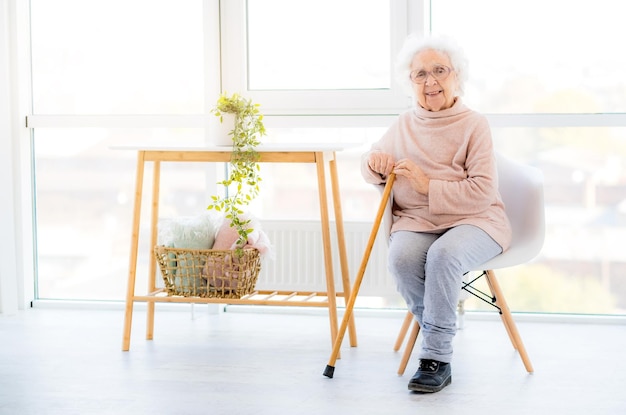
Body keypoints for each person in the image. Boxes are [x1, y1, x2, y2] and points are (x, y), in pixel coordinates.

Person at [361, 34, 512, 393]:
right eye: (420, 74)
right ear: (410, 82)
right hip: (418, 221)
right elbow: (370, 169)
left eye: (439, 71)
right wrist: (374, 163)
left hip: (476, 220)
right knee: (400, 258)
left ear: (456, 75)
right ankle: (435, 330)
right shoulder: (404, 123)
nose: (430, 82)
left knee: (443, 255)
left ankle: (436, 358)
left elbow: (482, 192)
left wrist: (428, 185)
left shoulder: (475, 125)